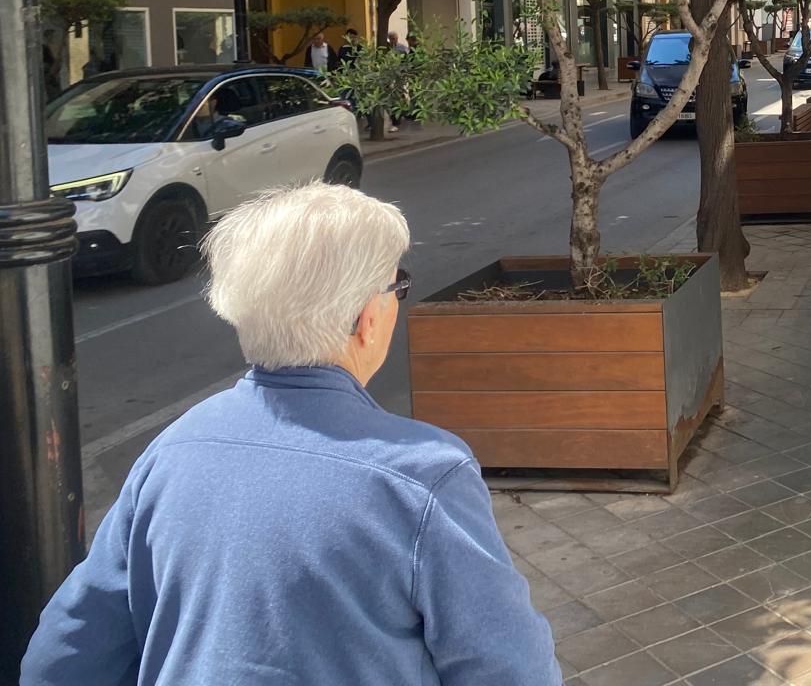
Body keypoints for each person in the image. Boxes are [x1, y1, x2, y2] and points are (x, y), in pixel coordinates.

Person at [22, 183, 561, 683]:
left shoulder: (173, 450)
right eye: (398, 285)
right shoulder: (424, 474)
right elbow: (512, 670)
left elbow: (62, 657)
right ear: (367, 317)